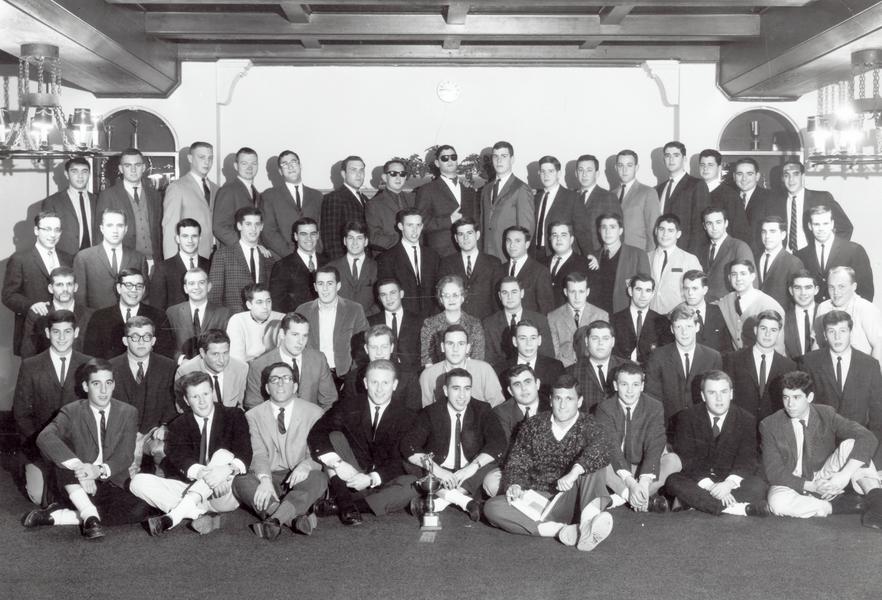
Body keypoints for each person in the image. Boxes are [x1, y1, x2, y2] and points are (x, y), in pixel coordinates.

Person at [483, 374, 614, 551]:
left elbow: (603, 448)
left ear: (580, 401)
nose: (562, 405)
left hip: (573, 499)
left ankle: (587, 522)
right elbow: (517, 461)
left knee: (593, 465)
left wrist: (574, 472)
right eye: (558, 398)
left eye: (569, 399)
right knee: (492, 507)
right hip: (538, 500)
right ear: (551, 400)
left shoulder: (590, 425)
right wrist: (515, 484)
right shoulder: (533, 425)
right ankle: (563, 530)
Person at [23, 359, 152, 539]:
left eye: (108, 383)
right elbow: (45, 437)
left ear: (114, 385)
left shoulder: (128, 412)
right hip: (75, 482)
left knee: (141, 509)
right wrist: (80, 467)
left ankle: (62, 516)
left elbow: (124, 456)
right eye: (96, 384)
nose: (103, 390)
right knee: (63, 455)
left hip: (109, 481)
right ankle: (90, 515)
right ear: (85, 386)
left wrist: (97, 470)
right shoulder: (71, 411)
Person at [129, 371, 252, 536]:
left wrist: (224, 472)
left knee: (223, 454)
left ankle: (173, 517)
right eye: (195, 397)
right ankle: (198, 515)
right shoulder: (178, 424)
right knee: (137, 482)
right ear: (186, 400)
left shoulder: (234, 415)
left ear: (212, 393)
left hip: (223, 492)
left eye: (205, 394)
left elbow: (245, 454)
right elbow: (182, 459)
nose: (202, 401)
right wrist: (209, 476)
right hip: (191, 487)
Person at [761, 370, 882, 526]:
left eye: (796, 397)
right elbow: (774, 472)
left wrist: (844, 475)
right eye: (786, 397)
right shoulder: (770, 424)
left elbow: (867, 437)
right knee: (777, 503)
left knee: (851, 445)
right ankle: (841, 506)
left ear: (810, 397)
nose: (790, 404)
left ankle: (877, 503)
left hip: (823, 475)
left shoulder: (826, 414)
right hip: (791, 483)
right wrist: (812, 487)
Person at [309, 359, 419, 524]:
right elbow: (318, 433)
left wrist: (371, 478)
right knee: (334, 437)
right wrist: (338, 464)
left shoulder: (408, 416)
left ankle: (343, 506)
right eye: (374, 382)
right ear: (366, 383)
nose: (379, 389)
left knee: (413, 484)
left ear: (395, 385)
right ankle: (346, 498)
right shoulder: (348, 406)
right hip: (349, 476)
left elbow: (401, 460)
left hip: (384, 482)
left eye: (385, 383)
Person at [233, 362, 329, 540]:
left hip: (300, 477)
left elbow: (317, 452)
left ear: (295, 386)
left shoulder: (315, 413)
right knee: (240, 481)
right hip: (269, 475)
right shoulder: (252, 416)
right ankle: (291, 520)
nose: (280, 383)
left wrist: (307, 466)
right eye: (274, 379)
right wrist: (265, 480)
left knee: (319, 478)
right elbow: (258, 453)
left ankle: (274, 519)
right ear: (267, 388)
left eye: (286, 378)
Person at [403, 368, 507, 521]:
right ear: (446, 390)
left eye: (467, 388)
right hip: (439, 470)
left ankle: (439, 501)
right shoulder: (431, 412)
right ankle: (464, 501)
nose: (462, 395)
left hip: (470, 472)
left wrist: (471, 468)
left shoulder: (482, 409)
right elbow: (409, 444)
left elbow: (498, 442)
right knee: (409, 462)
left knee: (492, 461)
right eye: (456, 388)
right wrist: (438, 470)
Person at [666, 370, 770, 516]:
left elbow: (746, 460)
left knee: (758, 486)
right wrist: (711, 487)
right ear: (703, 396)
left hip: (729, 480)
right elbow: (687, 459)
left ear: (731, 394)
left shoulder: (746, 419)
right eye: (712, 393)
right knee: (673, 480)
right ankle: (738, 509)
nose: (719, 399)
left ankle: (697, 503)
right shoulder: (687, 417)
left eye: (724, 392)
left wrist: (728, 484)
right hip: (700, 479)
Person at [14, 310, 90, 506]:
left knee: (84, 493)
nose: (62, 337)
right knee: (40, 496)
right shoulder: (30, 365)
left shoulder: (88, 364)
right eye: (56, 332)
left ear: (76, 333)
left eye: (67, 331)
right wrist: (45, 447)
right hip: (40, 447)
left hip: (77, 448)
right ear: (48, 333)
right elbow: (21, 414)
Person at [798, 310, 882, 464]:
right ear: (824, 335)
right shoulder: (809, 362)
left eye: (842, 331)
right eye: (832, 331)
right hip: (819, 450)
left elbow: (878, 416)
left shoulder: (870, 365)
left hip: (858, 447)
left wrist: (873, 458)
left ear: (851, 332)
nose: (837, 337)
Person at [595, 363, 680, 512]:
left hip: (643, 466)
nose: (630, 391)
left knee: (674, 461)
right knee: (596, 461)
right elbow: (612, 447)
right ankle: (632, 497)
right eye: (624, 384)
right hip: (616, 467)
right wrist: (631, 484)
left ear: (642, 386)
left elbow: (655, 445)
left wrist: (644, 482)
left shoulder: (654, 406)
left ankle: (623, 499)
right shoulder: (605, 408)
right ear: (615, 385)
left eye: (635, 385)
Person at [109, 316, 177, 476]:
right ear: (125, 341)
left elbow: (173, 404)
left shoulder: (169, 367)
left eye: (146, 337)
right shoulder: (110, 367)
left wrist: (165, 426)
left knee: (161, 450)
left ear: (153, 341)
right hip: (120, 433)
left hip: (153, 433)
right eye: (135, 337)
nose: (141, 342)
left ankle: (162, 487)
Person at [3, 211, 72, 355]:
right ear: (36, 230)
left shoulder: (68, 258)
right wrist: (31, 305)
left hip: (63, 333)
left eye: (57, 230)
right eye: (47, 229)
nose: (52, 235)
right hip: (33, 333)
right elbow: (8, 295)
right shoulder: (20, 259)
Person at [645, 304, 722, 431]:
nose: (684, 332)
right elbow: (652, 397)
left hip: (702, 428)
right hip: (667, 428)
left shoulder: (713, 357)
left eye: (689, 326)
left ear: (697, 327)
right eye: (678, 327)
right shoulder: (658, 357)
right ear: (672, 329)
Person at [244, 312, 337, 410]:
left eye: (305, 336)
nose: (300, 341)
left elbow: (329, 401)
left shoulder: (318, 359)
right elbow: (253, 406)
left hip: (314, 419)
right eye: (295, 334)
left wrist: (321, 419)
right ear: (282, 334)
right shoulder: (260, 365)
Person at [296, 265, 369, 388]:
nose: (325, 289)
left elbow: (363, 346)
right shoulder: (302, 310)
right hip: (312, 375)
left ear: (338, 286)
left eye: (330, 283)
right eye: (320, 284)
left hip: (344, 375)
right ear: (315, 287)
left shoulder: (354, 309)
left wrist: (352, 377)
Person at [483, 364, 550, 497]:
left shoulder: (552, 406)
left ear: (537, 384)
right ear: (510, 391)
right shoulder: (500, 412)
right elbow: (506, 451)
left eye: (527, 382)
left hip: (549, 466)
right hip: (515, 467)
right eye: (517, 384)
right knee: (491, 482)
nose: (523, 389)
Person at [82, 268, 174, 360]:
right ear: (119, 288)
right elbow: (91, 356)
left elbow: (165, 354)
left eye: (139, 286)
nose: (134, 290)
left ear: (143, 290)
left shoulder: (158, 316)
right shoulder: (99, 317)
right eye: (129, 285)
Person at [723, 309, 796, 420]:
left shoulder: (789, 366)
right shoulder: (733, 360)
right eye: (763, 328)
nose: (768, 334)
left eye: (773, 330)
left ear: (779, 333)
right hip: (740, 424)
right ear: (755, 330)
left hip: (773, 426)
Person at [96, 148, 163, 265]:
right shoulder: (108, 195)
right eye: (127, 165)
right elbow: (99, 234)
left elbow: (160, 230)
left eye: (137, 165)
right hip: (123, 262)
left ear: (143, 168)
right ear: (121, 169)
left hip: (154, 261)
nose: (133, 170)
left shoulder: (155, 195)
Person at [73, 209, 149, 309]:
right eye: (110, 225)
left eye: (120, 225)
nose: (115, 231)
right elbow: (80, 299)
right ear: (102, 228)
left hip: (130, 317)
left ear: (126, 229)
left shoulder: (138, 258)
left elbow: (144, 296)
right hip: (96, 316)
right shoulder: (84, 257)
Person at [773, 159, 853, 254]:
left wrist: (829, 251)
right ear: (782, 179)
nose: (791, 180)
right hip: (786, 257)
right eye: (786, 175)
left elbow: (845, 228)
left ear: (803, 176)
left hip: (812, 257)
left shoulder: (822, 198)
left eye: (795, 174)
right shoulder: (776, 203)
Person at [796, 205, 873, 302]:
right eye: (816, 224)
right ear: (810, 226)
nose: (821, 229)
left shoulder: (854, 250)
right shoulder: (801, 255)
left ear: (832, 224)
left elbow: (866, 293)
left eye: (825, 223)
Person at [208, 206, 276, 312]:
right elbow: (214, 295)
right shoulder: (223, 255)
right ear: (239, 226)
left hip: (261, 318)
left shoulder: (268, 258)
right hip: (232, 318)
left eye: (257, 224)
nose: (253, 229)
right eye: (248, 224)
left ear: (262, 226)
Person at [419, 325, 504, 408]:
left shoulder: (484, 370)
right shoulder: (428, 375)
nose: (455, 349)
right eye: (450, 343)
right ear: (442, 347)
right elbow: (424, 410)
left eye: (461, 344)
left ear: (468, 348)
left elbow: (498, 407)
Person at [376, 208, 440, 318]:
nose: (415, 230)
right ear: (400, 226)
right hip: (404, 318)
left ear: (422, 226)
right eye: (410, 225)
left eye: (418, 225)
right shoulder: (387, 258)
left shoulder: (433, 255)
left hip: (431, 317)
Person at [415, 146, 479, 257]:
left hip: (468, 252)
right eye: (444, 158)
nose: (450, 161)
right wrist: (449, 220)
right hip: (440, 253)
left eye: (453, 157)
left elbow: (476, 222)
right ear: (437, 163)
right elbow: (420, 223)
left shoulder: (469, 190)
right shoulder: (427, 190)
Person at [483, 276, 554, 372]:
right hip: (501, 374)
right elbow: (489, 359)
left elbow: (547, 356)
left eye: (514, 292)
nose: (509, 297)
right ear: (499, 296)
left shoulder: (540, 320)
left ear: (522, 293)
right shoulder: (489, 323)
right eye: (505, 293)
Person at [260, 150, 323, 257]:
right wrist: (292, 255)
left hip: (315, 255)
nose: (290, 167)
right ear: (280, 171)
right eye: (284, 164)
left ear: (300, 166)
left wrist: (318, 251)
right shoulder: (269, 196)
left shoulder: (317, 196)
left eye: (293, 162)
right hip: (284, 257)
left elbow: (321, 227)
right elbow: (268, 232)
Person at [20, 267, 93, 358]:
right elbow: (28, 354)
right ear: (51, 288)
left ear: (75, 287)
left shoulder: (91, 315)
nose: (65, 289)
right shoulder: (37, 314)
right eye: (59, 285)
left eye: (69, 284)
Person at [346, 324, 421, 413]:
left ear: (391, 347)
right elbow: (347, 412)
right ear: (366, 349)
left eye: (384, 347)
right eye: (374, 347)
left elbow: (414, 414)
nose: (379, 352)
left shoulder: (408, 376)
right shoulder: (353, 378)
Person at [438, 217, 503, 320]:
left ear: (477, 235)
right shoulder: (447, 263)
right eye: (461, 234)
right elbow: (442, 297)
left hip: (485, 323)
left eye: (469, 233)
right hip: (455, 324)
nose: (465, 238)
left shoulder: (494, 263)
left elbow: (498, 301)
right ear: (456, 238)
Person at [161, 141, 216, 259]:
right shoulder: (177, 187)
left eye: (210, 158)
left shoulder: (216, 188)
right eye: (201, 157)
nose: (207, 162)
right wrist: (171, 264)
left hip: (214, 257)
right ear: (190, 158)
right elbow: (170, 229)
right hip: (189, 257)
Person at [814, 266, 882, 362]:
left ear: (854, 287)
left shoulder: (867, 309)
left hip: (861, 367)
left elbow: (879, 346)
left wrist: (874, 371)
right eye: (831, 287)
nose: (836, 292)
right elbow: (817, 343)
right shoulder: (823, 307)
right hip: (830, 367)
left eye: (841, 287)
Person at [480, 141, 535, 260]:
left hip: (507, 255)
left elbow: (526, 229)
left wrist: (517, 257)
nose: (499, 160)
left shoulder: (521, 188)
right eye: (495, 156)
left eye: (504, 156)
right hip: (486, 255)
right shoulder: (486, 189)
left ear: (512, 159)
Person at [717, 259, 786, 353]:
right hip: (738, 359)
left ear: (752, 276)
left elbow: (778, 348)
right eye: (734, 274)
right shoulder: (726, 301)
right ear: (729, 278)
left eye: (743, 274)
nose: (738, 278)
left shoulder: (770, 306)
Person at [531, 155, 591, 258]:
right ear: (539, 173)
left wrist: (589, 254)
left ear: (558, 173)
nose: (546, 175)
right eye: (543, 171)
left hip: (558, 254)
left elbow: (582, 231)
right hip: (535, 254)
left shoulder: (572, 197)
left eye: (550, 171)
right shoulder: (535, 198)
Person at [589, 213, 650, 314]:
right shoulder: (593, 257)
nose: (608, 231)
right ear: (599, 231)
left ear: (621, 230)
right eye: (604, 227)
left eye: (612, 227)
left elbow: (645, 293)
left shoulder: (638, 255)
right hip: (598, 316)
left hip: (625, 316)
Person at [166, 267, 231, 361]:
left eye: (201, 282)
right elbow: (167, 345)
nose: (196, 287)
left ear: (209, 286)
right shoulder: (172, 313)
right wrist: (181, 359)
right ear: (185, 288)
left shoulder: (223, 314)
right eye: (191, 283)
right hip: (182, 366)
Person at [565, 320, 630, 412]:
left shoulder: (627, 367)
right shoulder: (571, 372)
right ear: (586, 341)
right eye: (595, 338)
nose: (600, 343)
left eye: (605, 338)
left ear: (613, 342)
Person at [655, 141, 709, 252]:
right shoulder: (658, 189)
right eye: (667, 156)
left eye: (676, 155)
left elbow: (699, 227)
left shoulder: (697, 185)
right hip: (660, 250)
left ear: (684, 159)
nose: (671, 159)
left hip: (685, 252)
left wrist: (692, 256)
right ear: (664, 160)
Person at [420, 275, 484, 366]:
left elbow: (477, 360)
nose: (451, 299)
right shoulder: (430, 324)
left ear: (462, 297)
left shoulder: (474, 325)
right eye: (446, 296)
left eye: (455, 295)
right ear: (441, 299)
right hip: (438, 373)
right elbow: (427, 360)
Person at [548, 272, 609, 368]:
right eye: (572, 292)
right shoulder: (553, 317)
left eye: (581, 292)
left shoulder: (601, 315)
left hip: (592, 369)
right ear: (565, 292)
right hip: (564, 368)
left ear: (587, 292)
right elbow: (554, 352)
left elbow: (603, 351)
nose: (577, 297)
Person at [499, 319, 564, 407]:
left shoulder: (555, 367)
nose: (528, 343)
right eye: (523, 338)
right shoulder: (501, 370)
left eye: (533, 338)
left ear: (539, 340)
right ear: (514, 341)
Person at [149, 218, 211, 311]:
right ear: (177, 239)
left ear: (200, 238)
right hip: (173, 320)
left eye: (194, 236)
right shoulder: (163, 268)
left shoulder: (210, 265)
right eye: (185, 236)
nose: (190, 240)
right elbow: (157, 308)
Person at [176, 329, 247, 410]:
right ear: (202, 353)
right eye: (215, 354)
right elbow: (181, 410)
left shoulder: (241, 369)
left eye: (225, 353)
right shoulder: (185, 372)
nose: (222, 360)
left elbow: (240, 405)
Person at [40, 156, 97, 256]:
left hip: (93, 258)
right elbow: (46, 237)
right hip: (64, 259)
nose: (80, 176)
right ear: (67, 174)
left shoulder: (97, 200)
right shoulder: (52, 202)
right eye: (74, 172)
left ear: (89, 174)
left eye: (84, 172)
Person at [611, 273, 672, 364]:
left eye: (648, 290)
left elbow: (665, 355)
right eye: (639, 289)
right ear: (630, 291)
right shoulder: (614, 320)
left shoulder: (663, 321)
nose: (643, 295)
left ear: (652, 294)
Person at [696, 206, 754, 302]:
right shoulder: (701, 249)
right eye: (709, 223)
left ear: (726, 223)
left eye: (718, 222)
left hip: (729, 307)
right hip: (704, 306)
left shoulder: (739, 247)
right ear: (704, 226)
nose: (714, 227)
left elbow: (750, 285)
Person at [647, 214, 701, 316]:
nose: (665, 234)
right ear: (656, 231)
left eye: (670, 230)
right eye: (662, 229)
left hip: (678, 318)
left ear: (678, 234)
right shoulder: (646, 258)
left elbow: (697, 292)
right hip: (650, 316)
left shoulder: (690, 259)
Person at [269, 217, 323, 313]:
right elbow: (276, 305)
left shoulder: (328, 262)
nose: (309, 238)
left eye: (313, 234)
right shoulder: (282, 266)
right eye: (303, 234)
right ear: (296, 236)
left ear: (318, 235)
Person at [698, 149, 751, 244]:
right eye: (702, 165)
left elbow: (739, 231)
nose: (705, 168)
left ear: (719, 168)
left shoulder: (730, 195)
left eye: (710, 165)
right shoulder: (694, 191)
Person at [369, 278, 421, 374]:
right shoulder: (370, 322)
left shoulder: (418, 321)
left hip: (412, 375)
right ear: (379, 298)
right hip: (379, 374)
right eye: (383, 295)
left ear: (401, 294)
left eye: (392, 293)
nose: (388, 298)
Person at [321, 155, 368, 260]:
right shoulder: (334, 198)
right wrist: (340, 266)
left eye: (361, 170)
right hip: (344, 261)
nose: (358, 174)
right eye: (353, 170)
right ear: (343, 174)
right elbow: (331, 239)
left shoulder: (364, 198)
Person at [213, 146, 261, 248]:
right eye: (244, 163)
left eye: (253, 163)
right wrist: (245, 246)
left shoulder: (256, 193)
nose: (249, 167)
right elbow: (219, 227)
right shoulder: (228, 190)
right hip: (233, 252)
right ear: (236, 166)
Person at [328, 220, 378, 316]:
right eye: (351, 238)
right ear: (344, 241)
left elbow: (381, 300)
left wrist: (366, 316)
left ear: (366, 241)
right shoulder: (331, 268)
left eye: (359, 238)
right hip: (340, 320)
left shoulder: (377, 267)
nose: (355, 243)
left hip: (369, 320)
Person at [613, 149, 659, 252]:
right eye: (620, 165)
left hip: (638, 253)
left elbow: (653, 229)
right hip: (614, 254)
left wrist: (650, 256)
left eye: (629, 165)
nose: (624, 170)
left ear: (636, 167)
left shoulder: (648, 192)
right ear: (616, 168)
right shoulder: (611, 195)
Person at [366, 158, 415, 254]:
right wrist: (404, 241)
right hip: (388, 256)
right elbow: (374, 237)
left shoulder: (413, 199)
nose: (398, 178)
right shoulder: (374, 204)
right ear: (384, 177)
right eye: (393, 174)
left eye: (402, 174)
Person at [225, 283, 283, 363]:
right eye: (259, 302)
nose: (265, 306)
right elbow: (237, 361)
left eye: (268, 301)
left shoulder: (282, 318)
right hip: (247, 368)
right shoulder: (237, 320)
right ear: (249, 305)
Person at [574, 153, 620, 253]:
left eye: (589, 170)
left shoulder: (608, 197)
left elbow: (617, 232)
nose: (584, 174)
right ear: (576, 173)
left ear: (597, 173)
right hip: (573, 255)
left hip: (598, 255)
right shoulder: (570, 196)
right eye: (581, 170)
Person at [503, 225, 555, 314]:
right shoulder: (500, 269)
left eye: (517, 241)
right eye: (509, 241)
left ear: (527, 244)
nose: (512, 245)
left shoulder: (540, 272)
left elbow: (546, 310)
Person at [756, 215, 804, 309]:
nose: (767, 236)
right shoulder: (755, 258)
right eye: (764, 232)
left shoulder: (794, 263)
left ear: (783, 235)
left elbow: (796, 300)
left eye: (772, 231)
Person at [681, 269, 732, 352]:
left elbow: (727, 347)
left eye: (694, 288)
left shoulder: (719, 312)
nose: (690, 293)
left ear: (705, 290)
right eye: (686, 288)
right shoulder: (678, 315)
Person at [544, 222, 591, 308]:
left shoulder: (585, 264)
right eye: (554, 235)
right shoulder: (541, 263)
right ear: (550, 239)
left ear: (571, 239)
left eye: (563, 235)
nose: (558, 239)